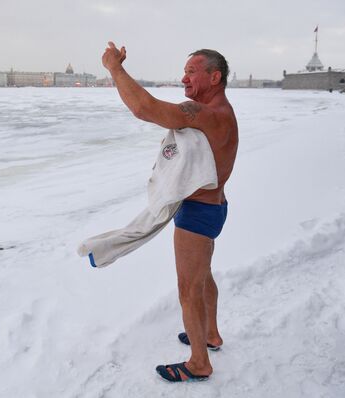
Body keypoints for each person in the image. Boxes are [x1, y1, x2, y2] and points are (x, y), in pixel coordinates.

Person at [102, 42, 238, 382]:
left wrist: (115, 69)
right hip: (212, 207)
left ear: (214, 76)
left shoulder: (206, 114)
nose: (184, 78)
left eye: (192, 72)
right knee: (203, 276)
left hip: (198, 215)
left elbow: (144, 108)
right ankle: (211, 335)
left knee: (188, 288)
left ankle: (199, 362)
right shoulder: (218, 111)